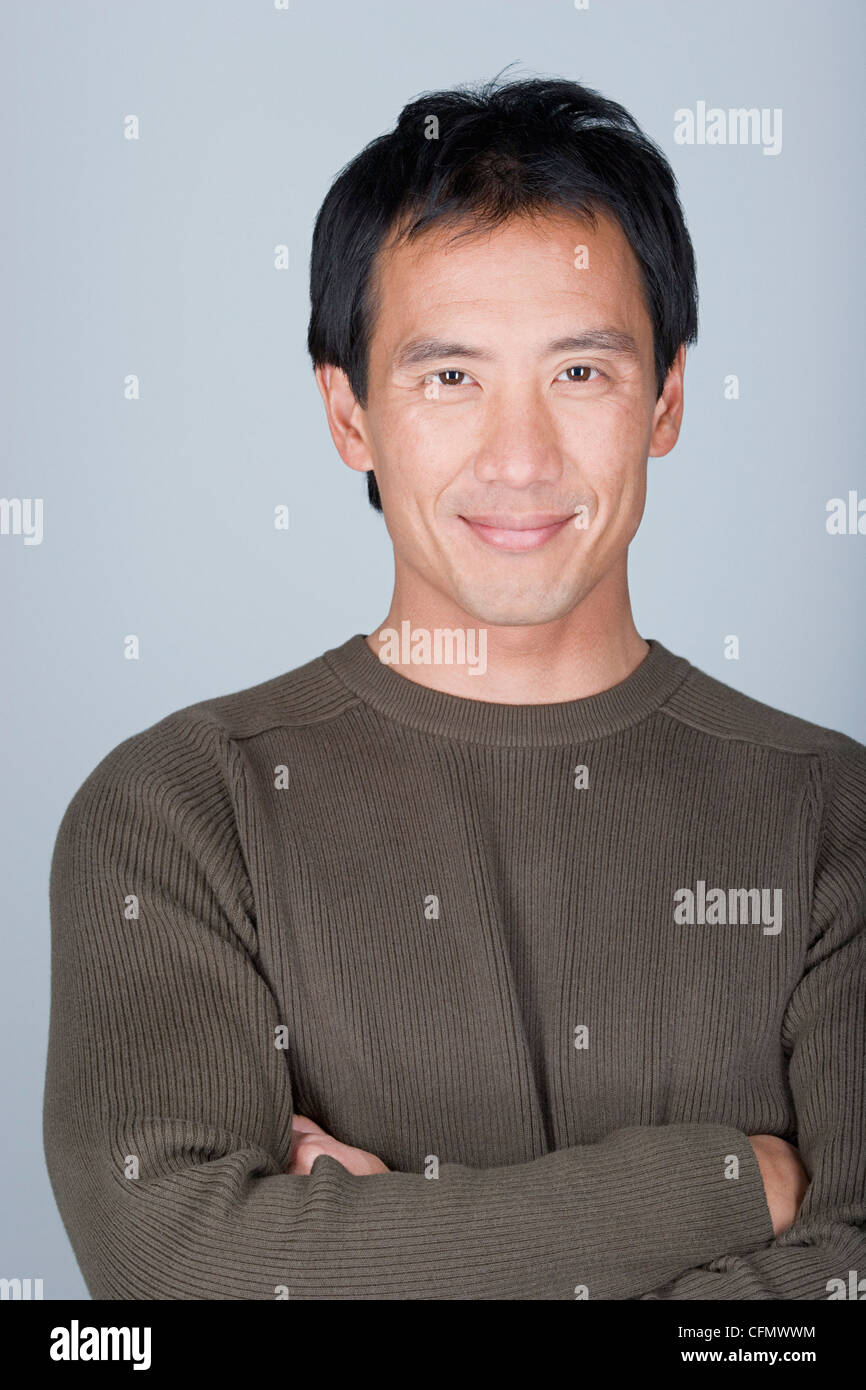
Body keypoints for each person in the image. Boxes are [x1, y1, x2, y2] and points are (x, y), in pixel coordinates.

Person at [44, 75, 864, 1300]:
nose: (519, 457)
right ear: (347, 415)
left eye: (580, 373)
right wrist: (725, 1186)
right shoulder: (180, 809)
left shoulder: (831, 812)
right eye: (448, 378)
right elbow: (183, 1276)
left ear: (668, 400)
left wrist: (388, 1263)